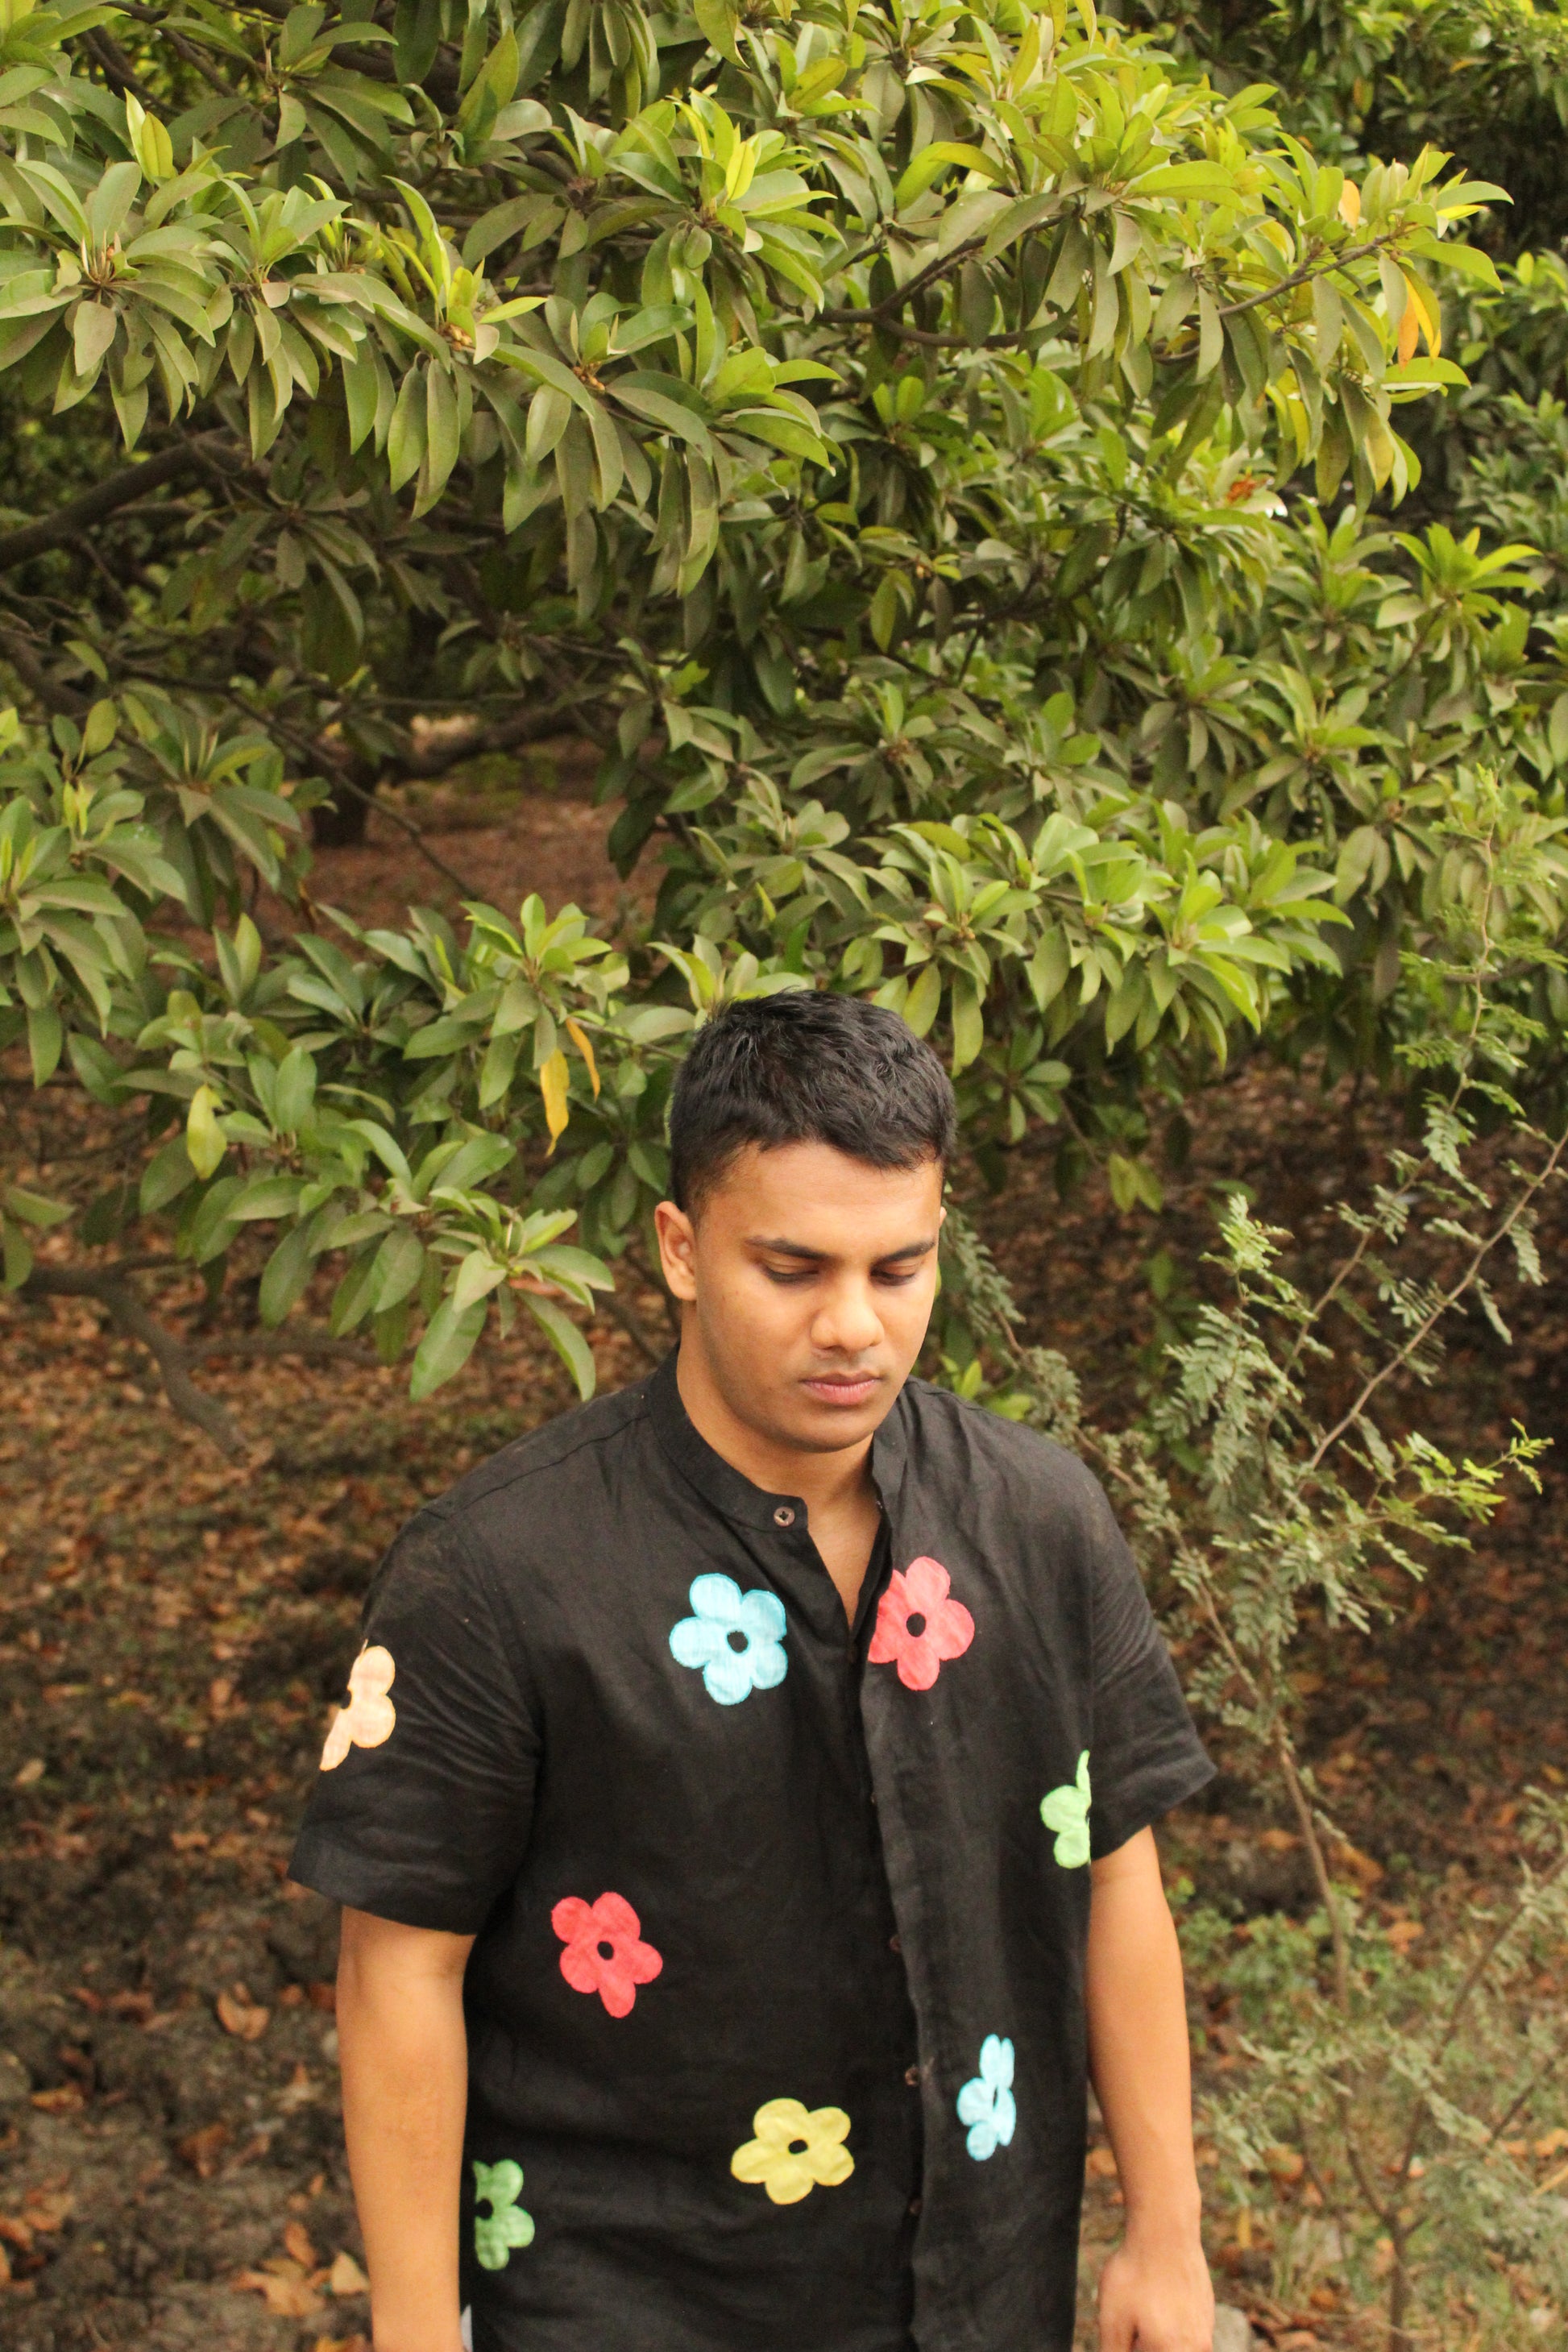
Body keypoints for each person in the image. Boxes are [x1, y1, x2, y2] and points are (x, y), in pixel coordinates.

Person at [289, 990, 1217, 2352]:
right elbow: (396, 1973)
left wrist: (1166, 2232)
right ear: (678, 1246)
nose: (853, 1326)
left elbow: (1114, 1868)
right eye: (794, 1270)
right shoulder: (497, 1573)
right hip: (625, 2295)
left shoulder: (1038, 1517)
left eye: (896, 1271)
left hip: (978, 2291)